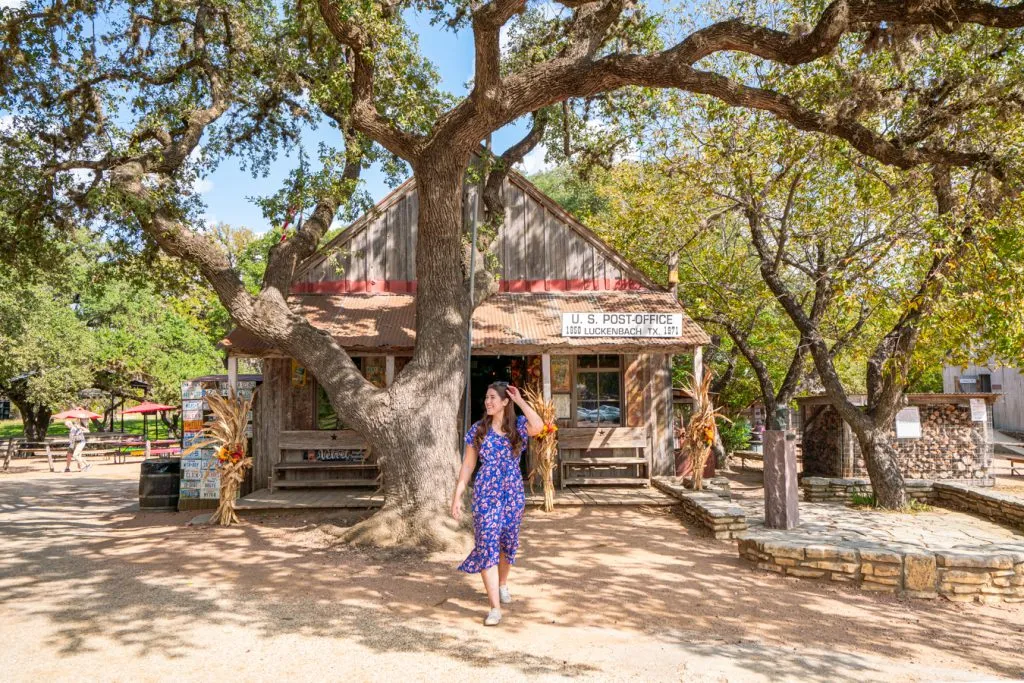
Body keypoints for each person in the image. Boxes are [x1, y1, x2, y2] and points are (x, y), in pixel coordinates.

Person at [451, 382, 543, 626]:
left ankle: (502, 584)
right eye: (486, 397)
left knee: (507, 543)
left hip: (512, 494)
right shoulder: (478, 430)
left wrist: (521, 401)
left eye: (493, 397)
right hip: (485, 494)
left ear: (504, 402)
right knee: (487, 544)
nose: (488, 401)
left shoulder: (518, 427)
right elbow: (468, 466)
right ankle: (494, 608)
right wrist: (458, 495)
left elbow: (539, 427)